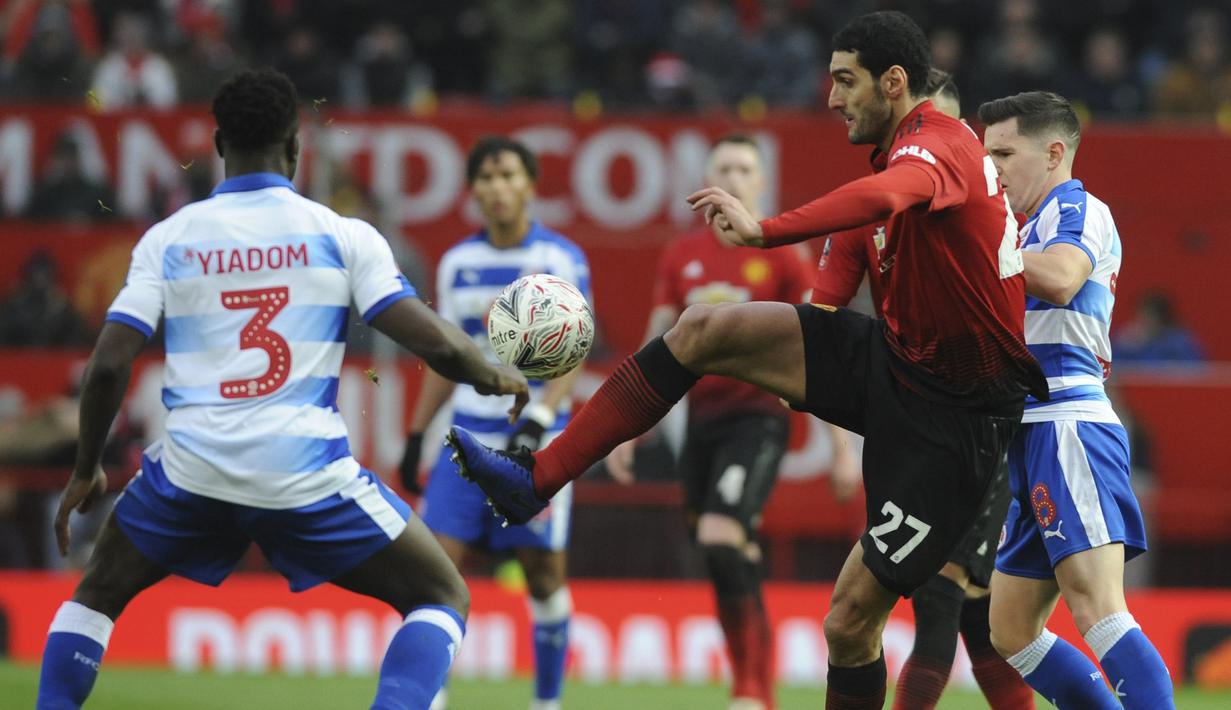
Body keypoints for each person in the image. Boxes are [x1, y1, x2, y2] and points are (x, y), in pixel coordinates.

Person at [447, 12, 1047, 708]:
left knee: (851, 623)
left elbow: (886, 196)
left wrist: (765, 231)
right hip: (895, 366)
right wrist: (789, 367)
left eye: (845, 81)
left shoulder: (937, 144)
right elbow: (827, 304)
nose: (830, 98)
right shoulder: (894, 161)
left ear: (893, 83)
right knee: (703, 330)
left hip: (956, 421)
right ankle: (534, 480)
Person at [35, 68, 529, 710]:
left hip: (191, 471)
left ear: (218, 145)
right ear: (296, 148)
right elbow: (433, 342)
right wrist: (493, 373)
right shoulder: (342, 234)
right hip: (304, 473)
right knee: (441, 596)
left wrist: (85, 470)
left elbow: (108, 364)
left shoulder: (169, 239)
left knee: (96, 595)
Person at [815, 69, 1035, 709]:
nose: (923, 144)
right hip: (912, 428)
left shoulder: (983, 215)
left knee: (942, 607)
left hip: (977, 426)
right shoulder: (868, 209)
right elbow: (822, 330)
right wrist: (837, 439)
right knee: (979, 625)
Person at [980, 91, 1175, 710]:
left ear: (1055, 152)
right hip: (1027, 430)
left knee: (1098, 609)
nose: (994, 168)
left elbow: (1063, 279)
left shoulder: (1081, 209)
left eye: (1005, 153)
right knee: (1010, 627)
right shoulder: (1016, 227)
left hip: (1067, 423)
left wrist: (978, 251)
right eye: (988, 155)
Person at [607, 134, 812, 710]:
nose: (734, 177)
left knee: (723, 533)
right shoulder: (680, 254)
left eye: (745, 168)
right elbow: (657, 340)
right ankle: (757, 688)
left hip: (759, 417)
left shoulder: (785, 253)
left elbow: (820, 346)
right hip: (702, 420)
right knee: (724, 546)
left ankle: (749, 689)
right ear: (706, 182)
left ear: (760, 183)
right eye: (724, 167)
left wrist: (843, 448)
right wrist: (625, 424)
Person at [399, 136, 589, 710]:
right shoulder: (458, 263)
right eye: (484, 178)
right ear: (473, 192)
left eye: (507, 175)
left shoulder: (558, 259)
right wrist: (414, 436)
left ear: (530, 184)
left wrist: (540, 415)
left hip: (536, 444)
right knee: (434, 578)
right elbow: (445, 356)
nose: (496, 187)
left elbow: (575, 349)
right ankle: (433, 701)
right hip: (466, 439)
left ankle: (547, 703)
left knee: (543, 579)